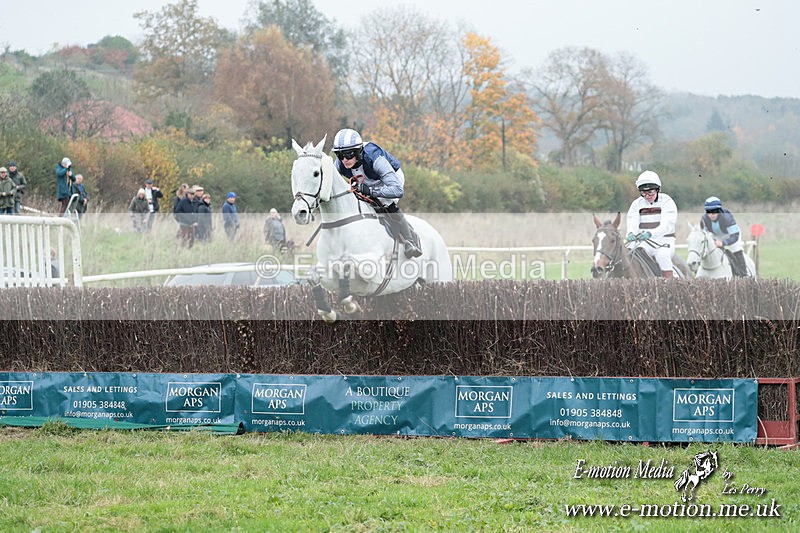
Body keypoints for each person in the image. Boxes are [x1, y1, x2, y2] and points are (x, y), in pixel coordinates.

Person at [331, 128, 422, 258]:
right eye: (340, 155)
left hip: (390, 179)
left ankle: (410, 240)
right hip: (367, 181)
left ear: (358, 152)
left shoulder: (374, 157)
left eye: (349, 154)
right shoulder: (339, 164)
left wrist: (371, 191)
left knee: (383, 202)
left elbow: (397, 190)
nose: (344, 159)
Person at [625, 170, 678, 278]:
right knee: (628, 254)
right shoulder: (636, 204)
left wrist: (650, 233)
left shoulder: (667, 201)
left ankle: (670, 286)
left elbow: (667, 225)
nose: (647, 196)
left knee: (662, 256)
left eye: (650, 193)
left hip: (664, 241)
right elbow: (632, 222)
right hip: (643, 242)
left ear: (658, 190)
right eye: (644, 193)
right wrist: (631, 233)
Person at [700, 196, 750, 277]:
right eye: (708, 213)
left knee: (736, 249)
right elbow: (704, 234)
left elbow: (735, 235)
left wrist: (724, 242)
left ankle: (744, 275)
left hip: (731, 234)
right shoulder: (704, 218)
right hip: (716, 234)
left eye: (713, 213)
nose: (710, 215)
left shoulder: (727, 217)